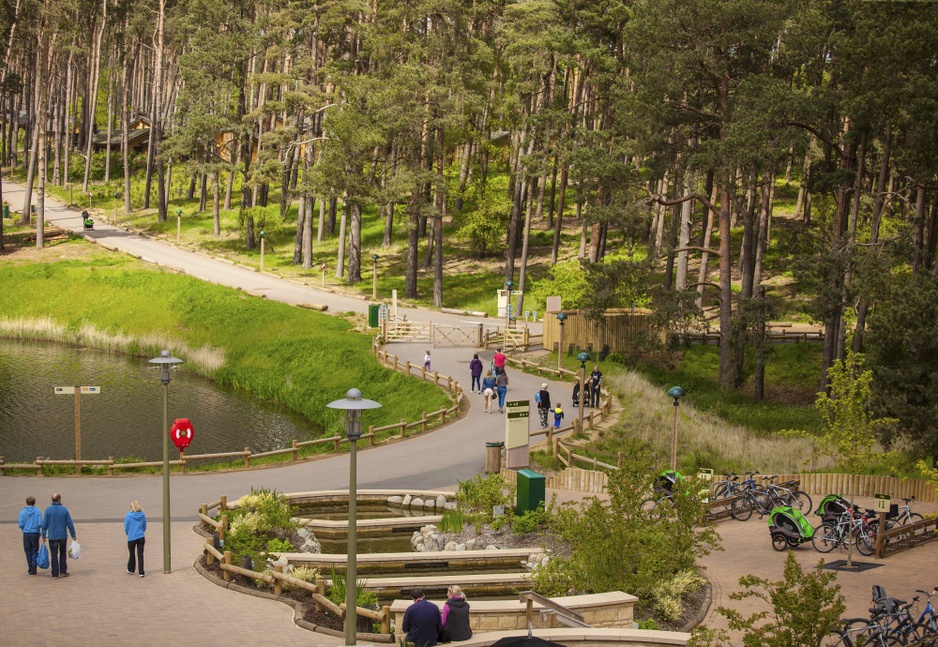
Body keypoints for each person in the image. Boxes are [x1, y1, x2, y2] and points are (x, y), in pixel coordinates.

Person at [42, 493, 76, 579]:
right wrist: (73, 535)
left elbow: (45, 523)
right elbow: (69, 523)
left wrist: (43, 535)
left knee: (54, 554)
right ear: (59, 499)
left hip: (52, 536)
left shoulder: (48, 510)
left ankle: (55, 574)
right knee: (63, 553)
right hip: (62, 536)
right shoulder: (64, 510)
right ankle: (63, 571)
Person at [18, 496, 43, 575]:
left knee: (28, 551)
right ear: (34, 503)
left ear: (26, 503)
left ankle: (30, 568)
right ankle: (34, 563)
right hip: (35, 533)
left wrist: (24, 527)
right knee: (35, 550)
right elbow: (40, 524)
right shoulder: (38, 511)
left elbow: (20, 524)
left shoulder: (22, 512)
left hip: (26, 533)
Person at [124, 500, 147, 577]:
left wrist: (129, 533)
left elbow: (126, 527)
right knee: (140, 554)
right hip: (140, 536)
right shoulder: (142, 515)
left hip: (131, 537)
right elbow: (144, 526)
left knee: (132, 553)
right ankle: (141, 572)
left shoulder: (128, 516)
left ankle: (131, 569)